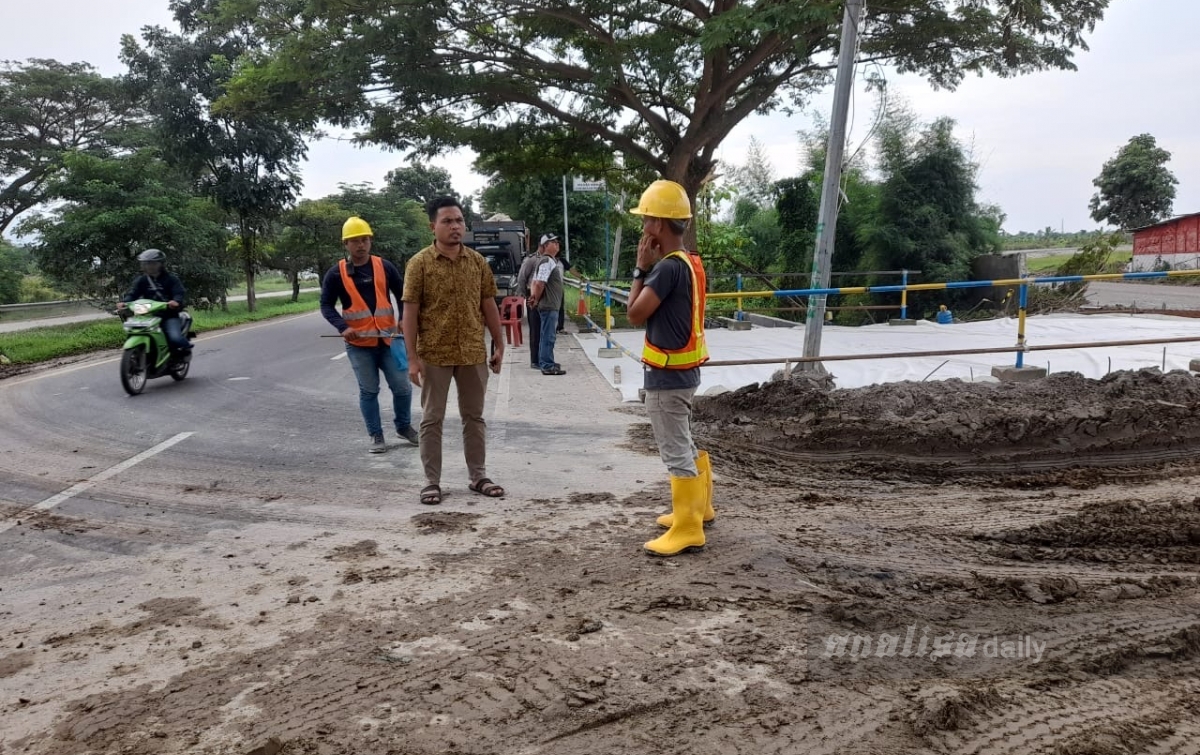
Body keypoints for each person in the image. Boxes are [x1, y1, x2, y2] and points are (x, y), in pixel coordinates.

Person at [625, 180, 715, 557]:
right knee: (686, 441)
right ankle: (699, 509)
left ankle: (688, 528)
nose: (644, 229)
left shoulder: (663, 270)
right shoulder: (691, 262)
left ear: (660, 224)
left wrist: (639, 269)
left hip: (666, 377)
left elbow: (634, 315)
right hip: (686, 372)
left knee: (675, 448)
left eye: (646, 220)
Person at [403, 197, 506, 506]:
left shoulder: (477, 262)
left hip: (472, 352)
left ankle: (478, 476)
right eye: (447, 221)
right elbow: (409, 313)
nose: (455, 226)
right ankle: (431, 482)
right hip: (434, 354)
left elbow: (489, 305)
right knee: (432, 419)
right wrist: (411, 358)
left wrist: (499, 344)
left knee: (474, 417)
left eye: (459, 220)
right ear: (433, 226)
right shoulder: (419, 263)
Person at [320, 216, 417, 454]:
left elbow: (403, 294)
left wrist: (403, 318)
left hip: (388, 340)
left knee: (403, 387)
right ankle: (376, 435)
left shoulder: (384, 266)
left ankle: (403, 426)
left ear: (370, 240)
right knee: (369, 390)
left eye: (364, 240)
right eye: (354, 241)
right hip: (359, 344)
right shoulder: (336, 274)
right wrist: (343, 327)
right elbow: (326, 306)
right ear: (346, 244)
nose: (360, 245)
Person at [117, 249, 192, 354]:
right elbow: (133, 293)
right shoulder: (142, 280)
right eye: (146, 263)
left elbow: (179, 293)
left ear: (160, 264)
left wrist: (175, 301)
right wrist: (125, 302)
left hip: (169, 315)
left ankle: (186, 349)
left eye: (152, 263)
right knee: (134, 332)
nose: (149, 266)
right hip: (149, 315)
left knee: (175, 338)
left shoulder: (171, 279)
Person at [529, 234, 566, 375]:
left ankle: (546, 361)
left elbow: (535, 281)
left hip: (550, 305)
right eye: (553, 242)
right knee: (548, 336)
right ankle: (546, 365)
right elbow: (539, 283)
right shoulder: (546, 261)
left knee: (547, 335)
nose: (557, 244)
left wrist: (534, 297)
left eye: (557, 242)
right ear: (545, 246)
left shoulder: (548, 261)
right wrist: (536, 299)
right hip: (549, 305)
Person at [516, 236, 552, 369]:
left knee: (546, 331)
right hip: (533, 298)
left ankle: (545, 358)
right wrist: (522, 296)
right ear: (542, 246)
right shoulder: (532, 260)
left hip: (547, 299)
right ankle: (535, 360)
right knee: (536, 330)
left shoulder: (549, 260)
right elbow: (522, 277)